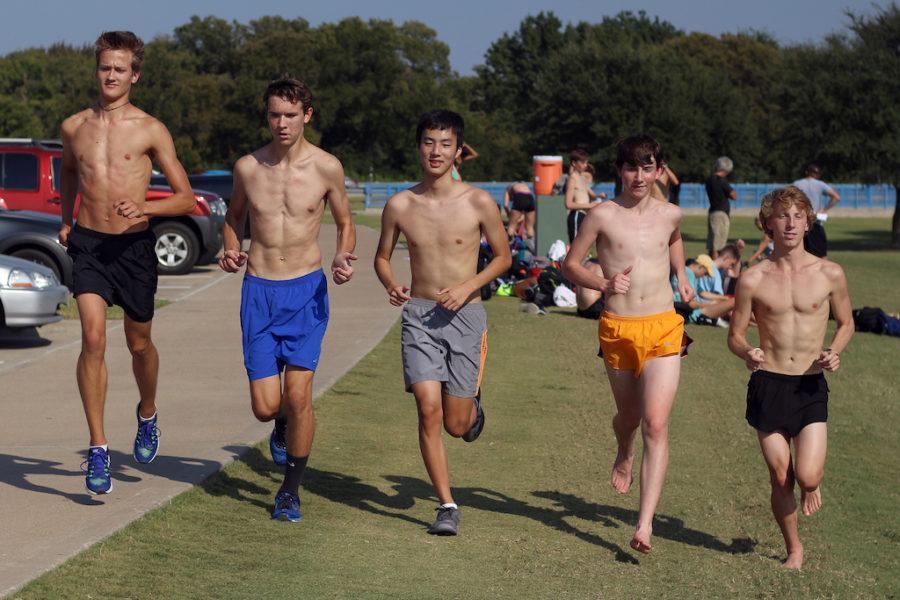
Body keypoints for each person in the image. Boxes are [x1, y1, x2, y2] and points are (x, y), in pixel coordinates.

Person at [58, 31, 197, 495]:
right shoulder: (74, 126)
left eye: (120, 69)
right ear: (96, 71)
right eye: (104, 67)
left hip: (134, 248)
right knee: (93, 337)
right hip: (90, 245)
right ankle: (98, 448)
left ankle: (148, 411)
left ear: (134, 75)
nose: (111, 75)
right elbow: (70, 172)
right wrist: (64, 220)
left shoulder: (150, 129)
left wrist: (147, 210)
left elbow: (185, 199)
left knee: (140, 346)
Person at [219, 76, 357, 522]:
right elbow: (234, 216)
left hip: (305, 291)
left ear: (307, 116)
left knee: (298, 397)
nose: (282, 123)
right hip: (258, 290)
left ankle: (290, 491)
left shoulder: (326, 167)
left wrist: (343, 257)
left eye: (291, 115)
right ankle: (280, 425)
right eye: (275, 114)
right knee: (266, 407)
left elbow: (345, 221)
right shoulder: (247, 167)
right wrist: (230, 247)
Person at [374, 110, 511, 536]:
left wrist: (468, 286)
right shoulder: (400, 204)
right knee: (427, 409)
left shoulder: (478, 202)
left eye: (445, 144)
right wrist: (392, 283)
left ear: (457, 151)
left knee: (456, 423)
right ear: (419, 147)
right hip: (420, 316)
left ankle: (472, 409)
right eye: (429, 142)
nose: (436, 151)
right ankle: (447, 505)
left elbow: (505, 258)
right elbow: (381, 257)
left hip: (466, 316)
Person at [562, 134, 694, 554]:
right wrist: (603, 282)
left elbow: (673, 239)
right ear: (620, 170)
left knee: (656, 422)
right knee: (630, 417)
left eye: (648, 167)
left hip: (663, 325)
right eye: (632, 167)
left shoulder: (672, 213)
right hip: (618, 327)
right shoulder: (601, 215)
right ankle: (624, 449)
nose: (640, 176)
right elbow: (569, 264)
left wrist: (683, 276)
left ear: (659, 169)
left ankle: (644, 525)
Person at [728, 186, 853, 569]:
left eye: (798, 216)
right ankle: (794, 549)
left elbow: (847, 323)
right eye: (783, 216)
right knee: (781, 475)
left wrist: (835, 350)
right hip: (769, 383)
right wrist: (747, 351)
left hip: (810, 384)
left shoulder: (830, 272)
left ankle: (812, 484)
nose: (791, 223)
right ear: (768, 223)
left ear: (808, 221)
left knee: (808, 474)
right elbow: (734, 335)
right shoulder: (752, 278)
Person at [792, 164, 840, 258]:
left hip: (800, 221)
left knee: (800, 254)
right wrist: (824, 209)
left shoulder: (797, 184)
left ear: (806, 172)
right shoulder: (820, 184)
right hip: (815, 220)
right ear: (818, 174)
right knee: (821, 253)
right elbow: (836, 197)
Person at [673, 255, 733, 327]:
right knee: (733, 302)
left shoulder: (689, 274)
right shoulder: (688, 273)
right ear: (700, 266)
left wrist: (723, 298)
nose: (704, 276)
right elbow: (689, 303)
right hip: (694, 314)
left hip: (692, 310)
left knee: (727, 302)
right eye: (705, 273)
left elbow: (702, 293)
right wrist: (711, 305)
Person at [565, 150, 604, 243]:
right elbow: (568, 204)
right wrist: (590, 205)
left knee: (584, 249)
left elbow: (591, 194)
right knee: (575, 248)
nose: (586, 165)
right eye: (582, 162)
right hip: (576, 215)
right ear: (574, 163)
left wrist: (599, 196)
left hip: (584, 215)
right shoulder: (572, 178)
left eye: (586, 162)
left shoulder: (582, 178)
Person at [705, 156, 737, 260]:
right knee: (718, 245)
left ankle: (710, 267)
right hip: (721, 214)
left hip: (712, 212)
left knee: (712, 243)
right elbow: (733, 195)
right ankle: (715, 272)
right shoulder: (722, 181)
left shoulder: (709, 180)